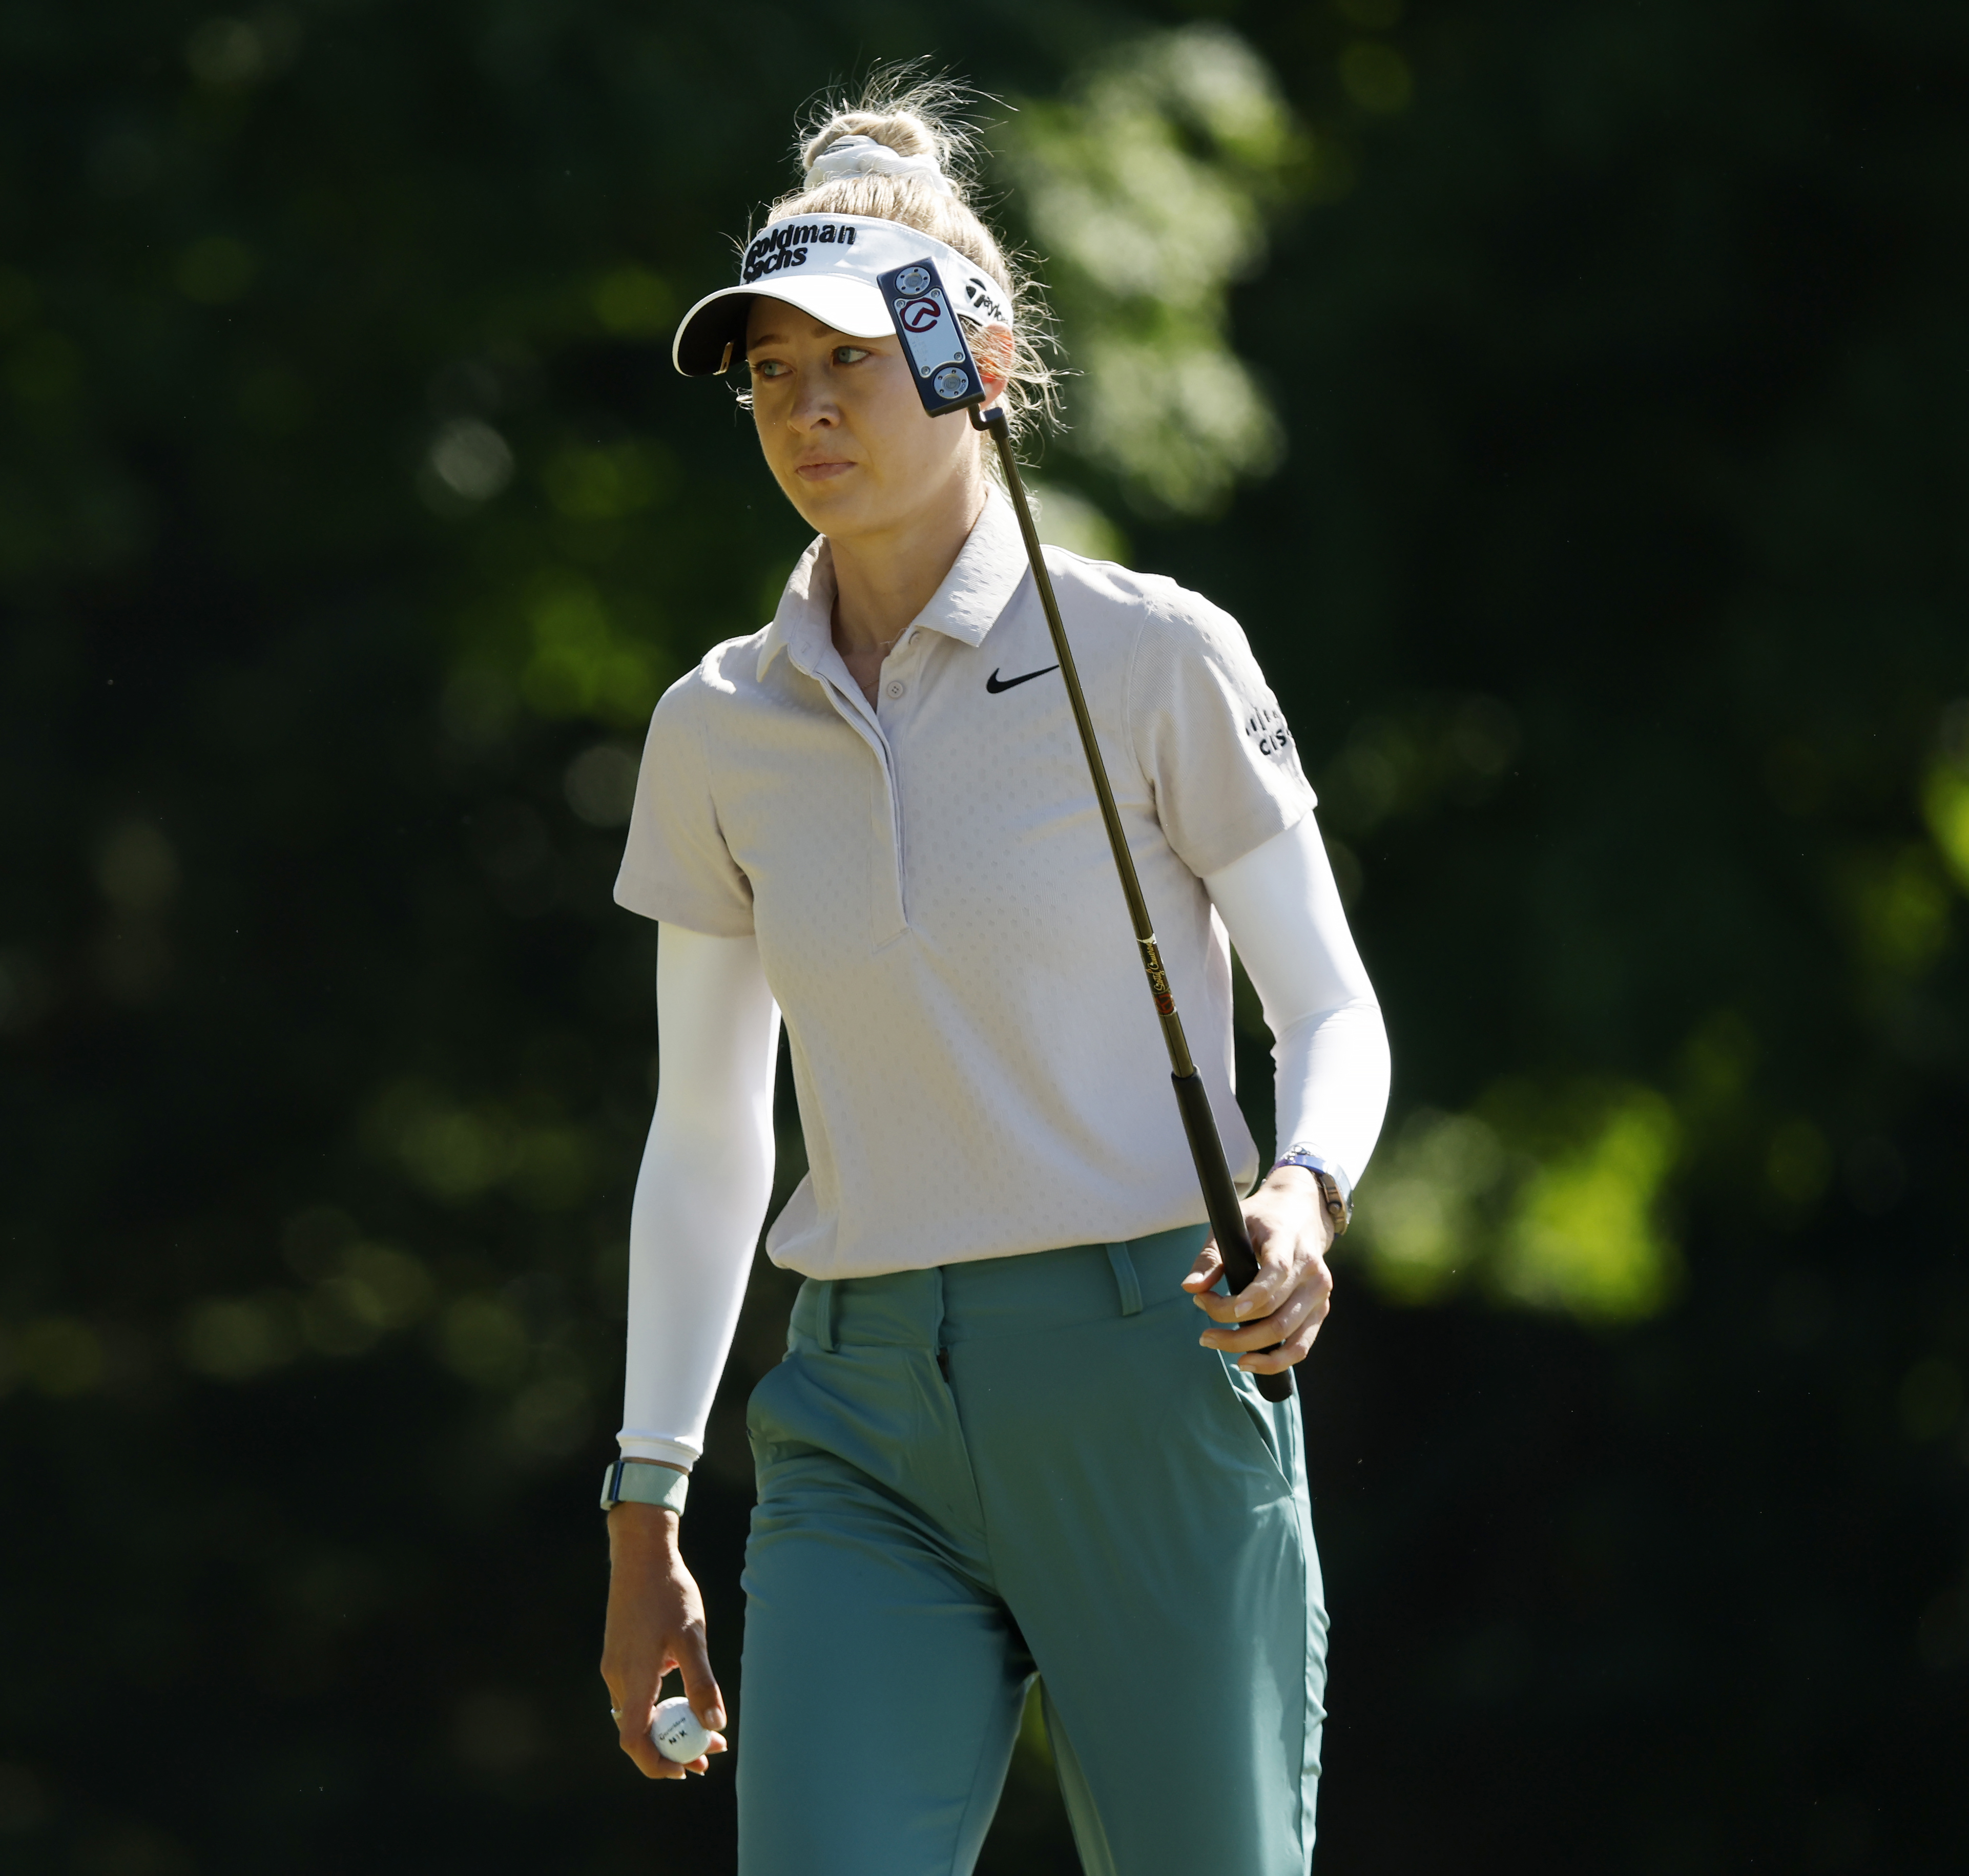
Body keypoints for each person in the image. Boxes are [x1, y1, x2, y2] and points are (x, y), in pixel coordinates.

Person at [592, 80, 1390, 1876]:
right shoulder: (717, 727)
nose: (804, 411)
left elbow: (1326, 1008)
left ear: (975, 367)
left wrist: (1301, 1197)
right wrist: (647, 1495)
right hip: (858, 1418)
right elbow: (709, 1133)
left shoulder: (1156, 650)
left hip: (1152, 1378)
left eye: (848, 364)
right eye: (768, 377)